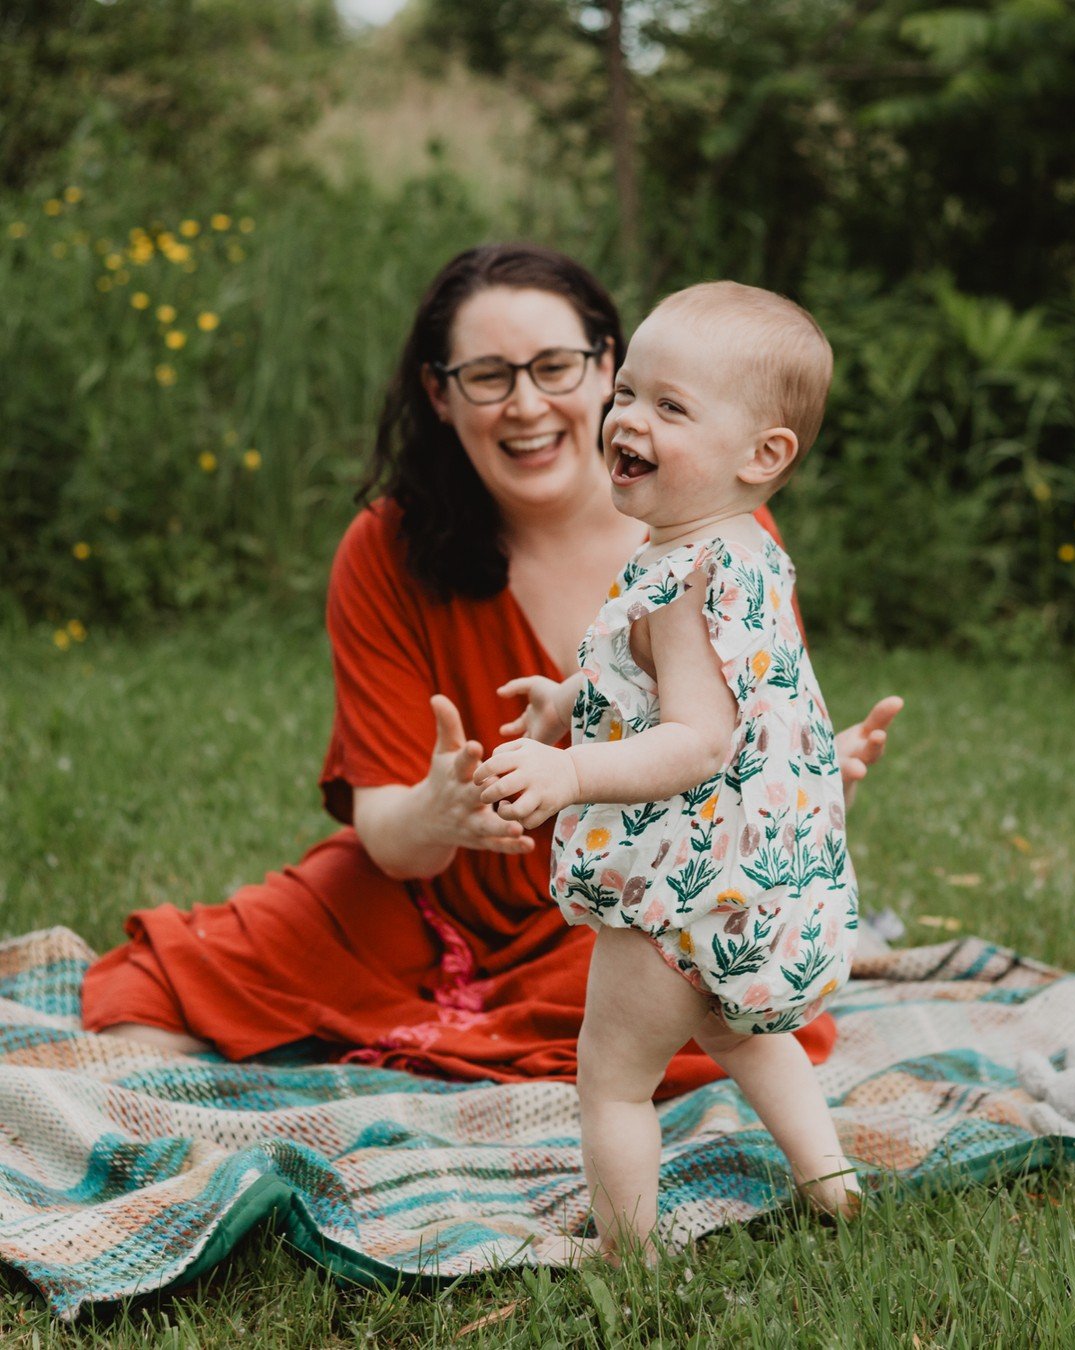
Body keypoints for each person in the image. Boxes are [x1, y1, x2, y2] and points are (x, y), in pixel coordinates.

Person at [81, 245, 901, 1105]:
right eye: (487, 377)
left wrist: (808, 774)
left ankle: (460, 1052)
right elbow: (387, 835)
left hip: (625, 885)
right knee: (161, 990)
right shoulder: (386, 549)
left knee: (703, 1005)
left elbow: (725, 744)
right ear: (440, 395)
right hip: (425, 898)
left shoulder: (723, 539)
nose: (526, 404)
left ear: (605, 366)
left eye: (555, 366)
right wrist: (440, 813)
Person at [474, 281, 863, 1257]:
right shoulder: (744, 553)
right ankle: (831, 1182)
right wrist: (572, 699)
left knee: (613, 1081)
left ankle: (631, 1261)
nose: (628, 419)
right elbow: (706, 690)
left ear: (762, 454)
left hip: (674, 894)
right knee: (741, 1033)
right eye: (627, 393)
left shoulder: (677, 585)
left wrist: (569, 773)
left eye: (671, 406)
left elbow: (695, 738)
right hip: (759, 880)